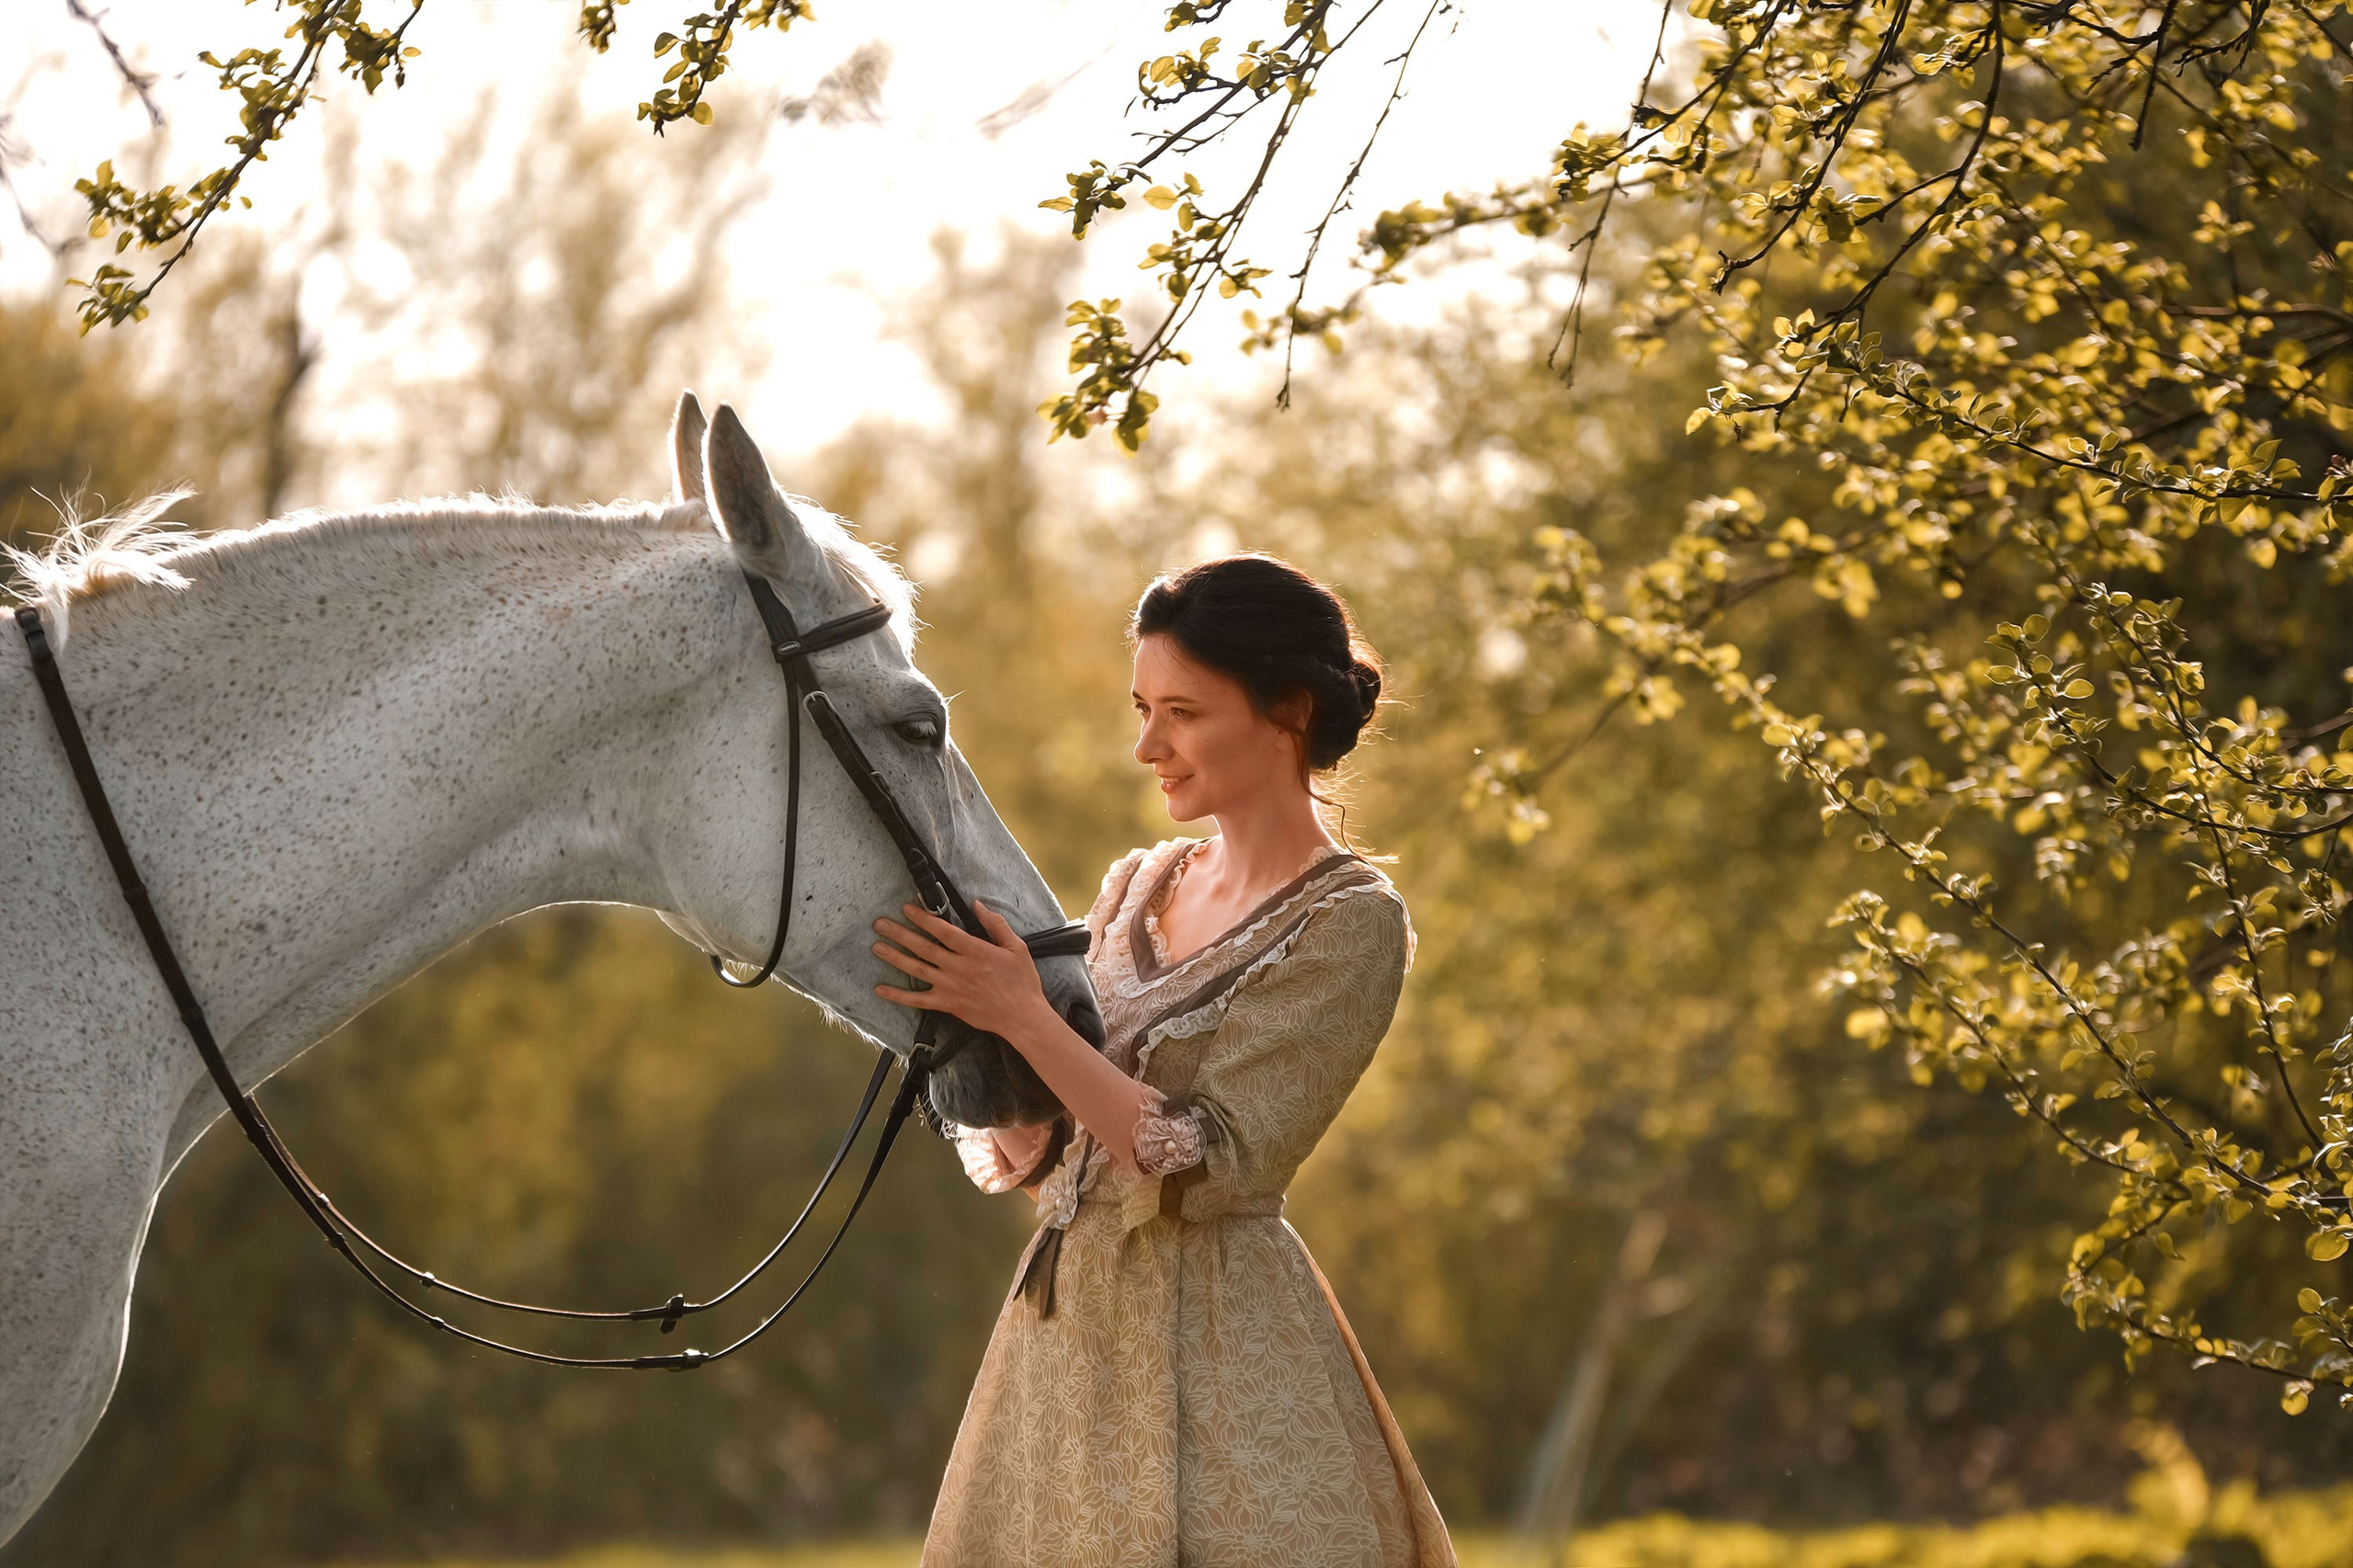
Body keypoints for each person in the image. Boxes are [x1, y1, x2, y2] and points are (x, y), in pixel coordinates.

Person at [870, 553, 1456, 1567]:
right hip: (1062, 1341)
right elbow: (1062, 1152)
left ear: (1288, 708)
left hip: (1221, 1354)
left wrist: (1023, 1015)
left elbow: (1200, 1163)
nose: (1148, 746)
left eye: (1182, 712)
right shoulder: (1139, 884)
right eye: (1143, 710)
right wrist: (967, 1028)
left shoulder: (1350, 921)